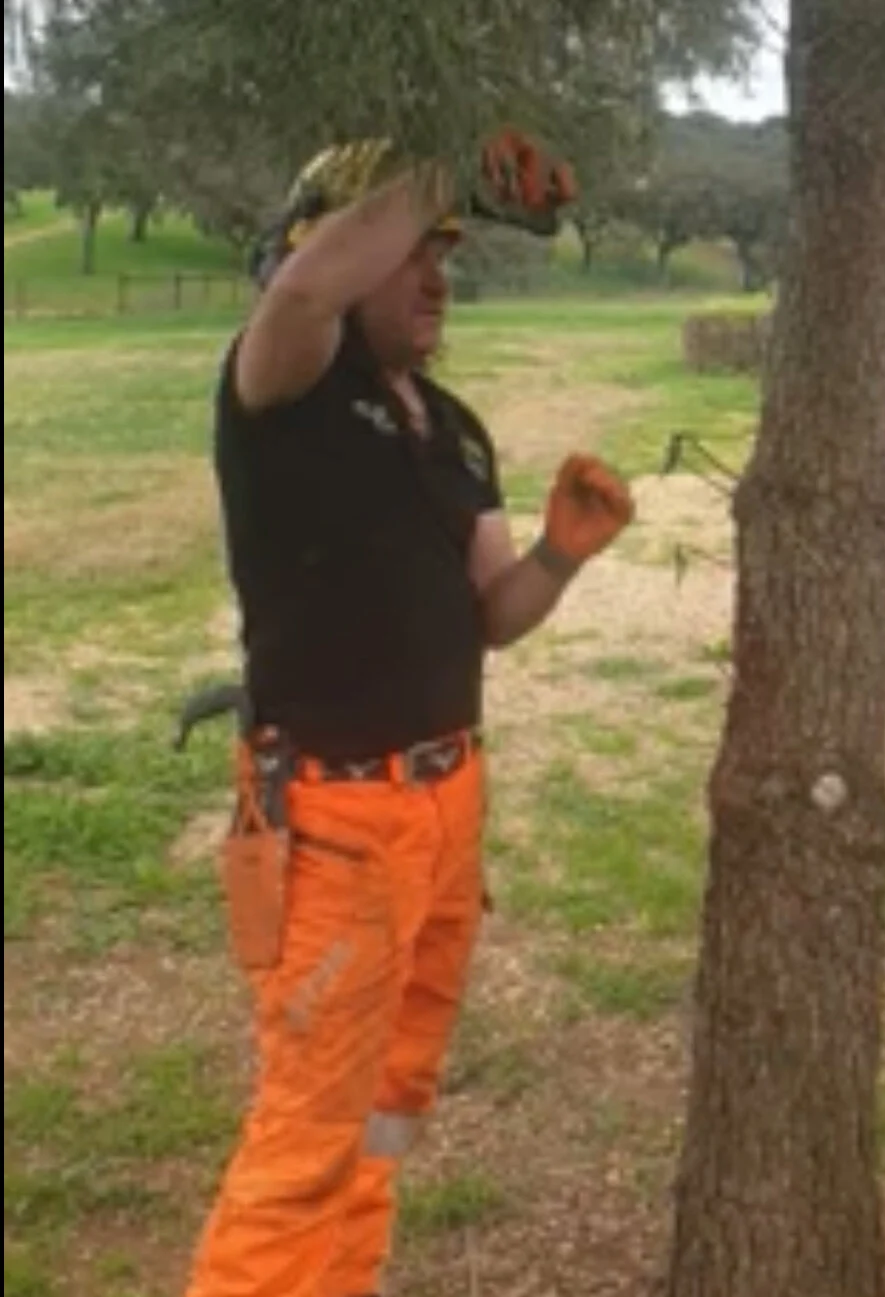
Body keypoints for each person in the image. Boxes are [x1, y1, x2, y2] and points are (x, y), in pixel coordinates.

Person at [184, 132, 634, 1297]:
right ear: (335, 247)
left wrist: (560, 556)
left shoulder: (455, 424)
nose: (438, 276)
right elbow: (308, 288)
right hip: (335, 820)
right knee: (305, 1143)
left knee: (391, 1102)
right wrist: (455, 153)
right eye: (412, 252)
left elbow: (493, 613)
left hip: (445, 810)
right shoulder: (278, 384)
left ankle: (346, 1278)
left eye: (449, 253)